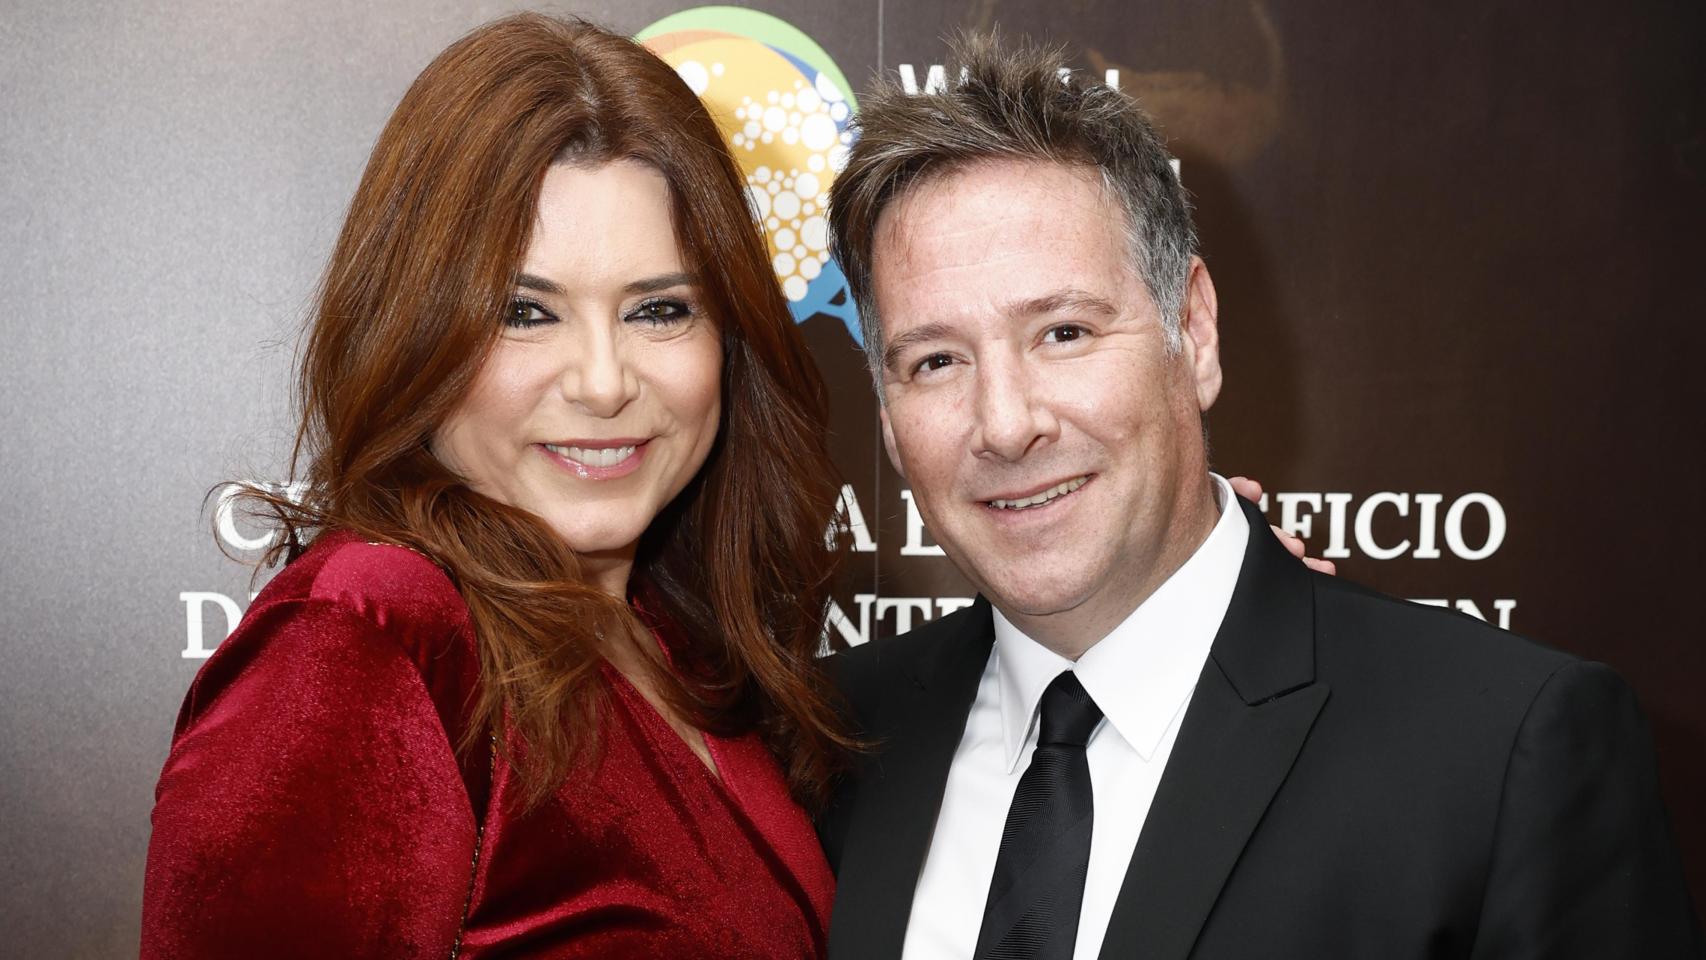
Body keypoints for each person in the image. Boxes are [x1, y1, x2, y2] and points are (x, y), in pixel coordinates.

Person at [817, 34, 1701, 960]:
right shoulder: (832, 743)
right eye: (936, 361)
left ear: (1194, 331)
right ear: (887, 414)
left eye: (1065, 332)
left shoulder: (1505, 751)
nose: (1005, 425)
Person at [141, 14, 853, 958]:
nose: (603, 382)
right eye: (526, 312)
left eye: (659, 309)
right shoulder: (371, 640)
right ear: (415, 334)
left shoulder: (676, 643)